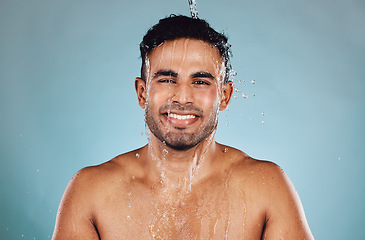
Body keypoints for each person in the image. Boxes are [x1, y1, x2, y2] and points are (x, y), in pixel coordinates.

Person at [52, 15, 314, 239]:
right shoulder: (92, 191)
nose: (182, 97)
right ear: (142, 93)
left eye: (200, 82)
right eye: (167, 79)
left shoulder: (266, 187)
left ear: (224, 96)